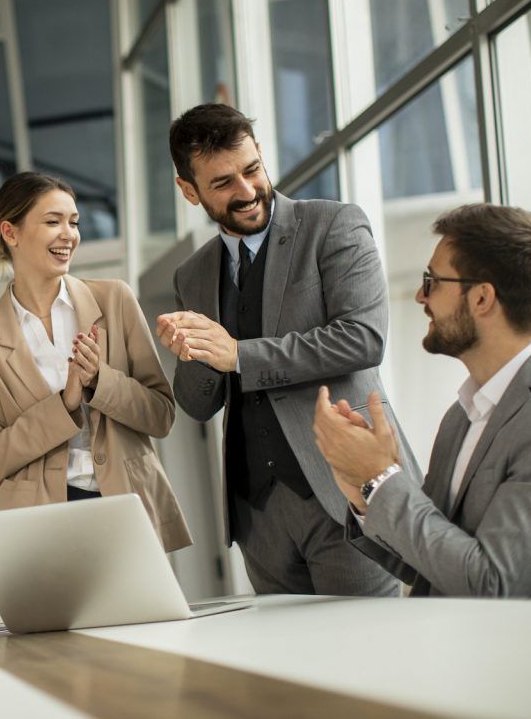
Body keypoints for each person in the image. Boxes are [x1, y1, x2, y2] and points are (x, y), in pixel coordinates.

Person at [155, 103, 418, 596]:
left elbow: (363, 338)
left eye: (252, 170)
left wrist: (240, 356)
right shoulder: (191, 275)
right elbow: (196, 403)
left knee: (372, 658)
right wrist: (193, 354)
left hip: (346, 495)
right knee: (285, 671)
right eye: (222, 183)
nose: (247, 191)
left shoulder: (333, 225)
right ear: (188, 191)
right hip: (258, 517)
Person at [313, 204, 531, 597]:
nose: (421, 295)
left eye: (433, 280)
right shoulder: (461, 416)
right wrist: (365, 490)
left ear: (482, 299)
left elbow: (489, 582)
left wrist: (381, 478)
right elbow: (425, 561)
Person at [0, 172, 191, 551]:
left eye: (74, 222)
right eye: (53, 222)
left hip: (125, 503)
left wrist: (101, 381)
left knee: (144, 613)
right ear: (10, 233)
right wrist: (63, 406)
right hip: (38, 522)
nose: (69, 234)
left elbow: (161, 415)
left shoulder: (115, 300)